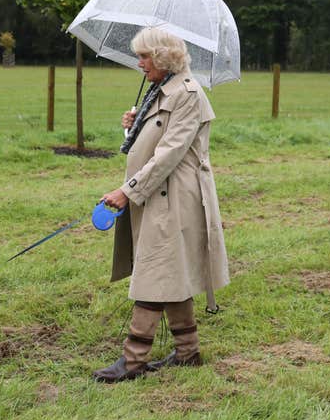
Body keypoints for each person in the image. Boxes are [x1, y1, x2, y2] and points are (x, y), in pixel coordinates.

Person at [93, 27, 229, 384]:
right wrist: (132, 127)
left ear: (164, 58)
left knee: (154, 271)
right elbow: (150, 143)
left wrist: (127, 191)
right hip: (156, 193)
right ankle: (188, 352)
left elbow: (169, 154)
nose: (138, 63)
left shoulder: (187, 94)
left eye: (144, 57)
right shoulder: (161, 89)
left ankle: (134, 359)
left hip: (174, 197)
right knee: (169, 269)